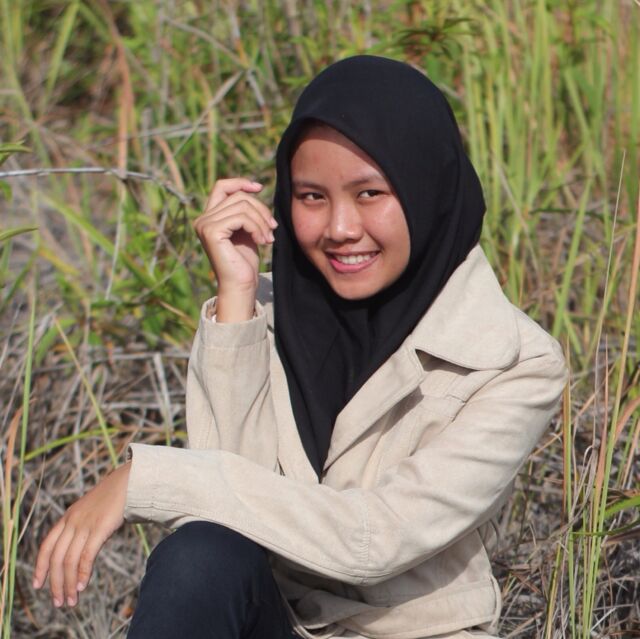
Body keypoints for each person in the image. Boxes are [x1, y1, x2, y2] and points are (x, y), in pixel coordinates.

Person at [34, 56, 567, 638]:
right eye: (312, 196)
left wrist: (149, 480)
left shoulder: (514, 362)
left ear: (425, 187)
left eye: (370, 193)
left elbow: (377, 538)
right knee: (200, 555)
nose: (339, 227)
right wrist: (236, 298)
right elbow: (223, 520)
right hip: (273, 620)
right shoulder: (262, 311)